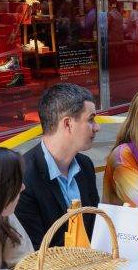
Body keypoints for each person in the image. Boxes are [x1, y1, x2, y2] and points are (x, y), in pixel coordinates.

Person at [16, 83, 100, 248]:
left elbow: (96, 226)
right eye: (91, 119)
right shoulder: (24, 177)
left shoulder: (85, 165)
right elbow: (35, 249)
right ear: (67, 124)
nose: (97, 127)